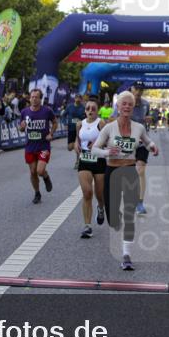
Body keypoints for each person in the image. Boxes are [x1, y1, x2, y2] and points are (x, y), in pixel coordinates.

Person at [91, 91, 158, 270]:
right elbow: (94, 149)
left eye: (130, 104)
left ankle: (126, 255)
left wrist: (153, 147)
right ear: (118, 107)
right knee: (113, 220)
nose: (127, 106)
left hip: (130, 171)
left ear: (133, 106)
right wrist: (107, 152)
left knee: (129, 214)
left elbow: (147, 141)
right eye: (124, 104)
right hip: (112, 170)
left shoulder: (138, 128)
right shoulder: (109, 128)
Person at [112, 82, 153, 214]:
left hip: (141, 142)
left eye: (141, 90)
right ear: (132, 89)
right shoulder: (122, 103)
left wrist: (149, 119)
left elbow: (150, 119)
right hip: (125, 142)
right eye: (137, 89)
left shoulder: (146, 104)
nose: (138, 92)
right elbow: (113, 119)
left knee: (140, 170)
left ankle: (139, 203)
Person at [75, 96, 107, 238]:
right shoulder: (79, 124)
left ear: (97, 110)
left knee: (99, 195)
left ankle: (101, 208)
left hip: (99, 160)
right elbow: (78, 139)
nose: (90, 111)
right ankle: (87, 226)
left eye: (93, 109)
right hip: (85, 160)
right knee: (87, 192)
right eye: (88, 108)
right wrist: (76, 144)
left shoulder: (101, 123)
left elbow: (109, 139)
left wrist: (99, 143)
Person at [20, 88, 57, 204]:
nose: (34, 99)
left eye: (36, 97)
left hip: (43, 146)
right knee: (32, 172)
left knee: (40, 170)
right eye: (32, 97)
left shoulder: (47, 111)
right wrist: (22, 126)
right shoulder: (24, 112)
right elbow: (21, 129)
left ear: (40, 99)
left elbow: (55, 122)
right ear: (29, 98)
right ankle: (37, 193)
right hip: (30, 146)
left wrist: (51, 133)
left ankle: (45, 176)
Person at [64, 93, 86, 166]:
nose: (78, 99)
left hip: (80, 130)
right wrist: (65, 124)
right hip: (71, 129)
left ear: (81, 99)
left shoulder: (83, 108)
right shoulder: (69, 107)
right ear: (74, 98)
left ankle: (78, 161)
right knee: (70, 148)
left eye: (79, 98)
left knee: (78, 145)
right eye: (77, 97)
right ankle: (77, 147)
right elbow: (64, 115)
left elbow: (87, 118)